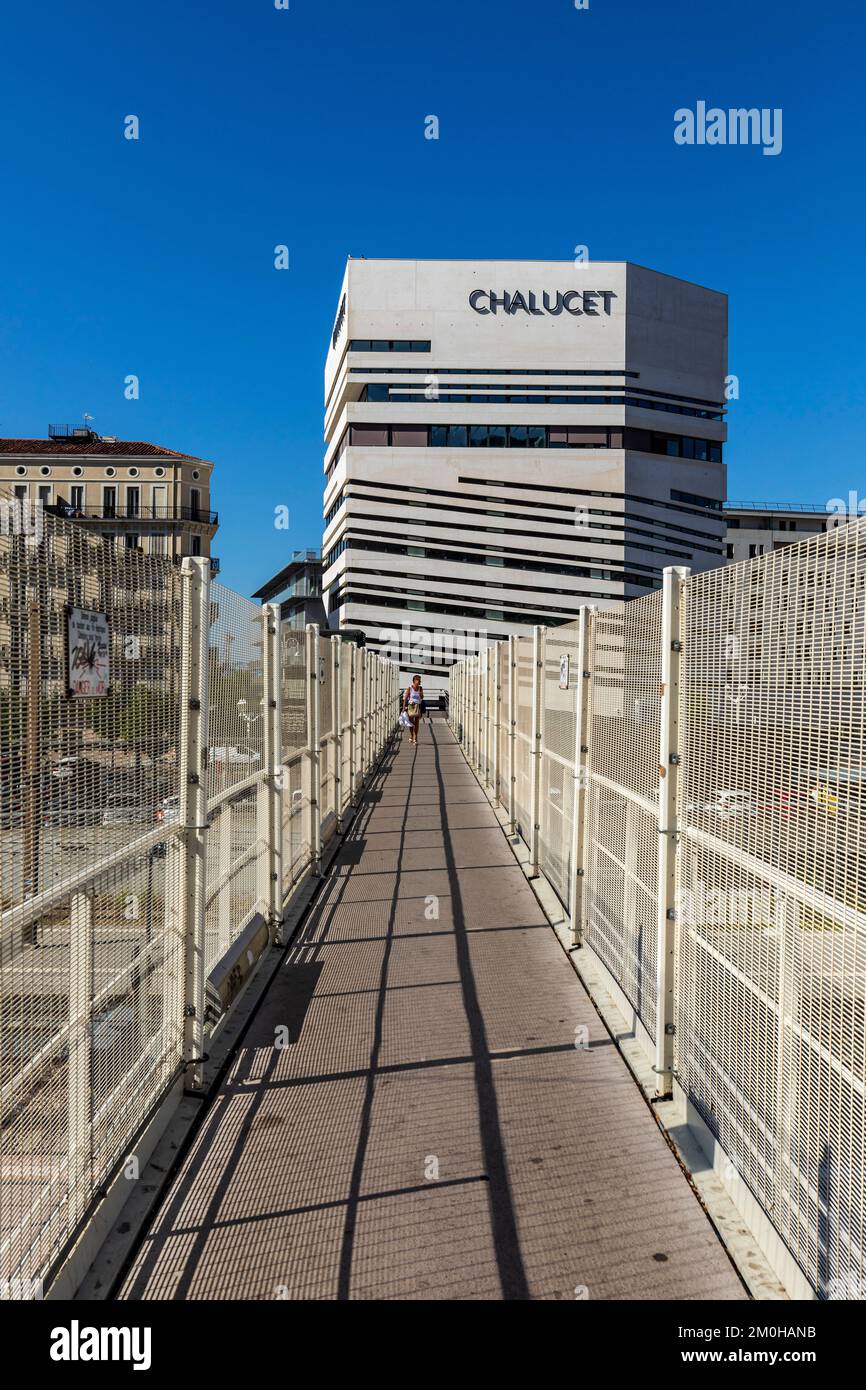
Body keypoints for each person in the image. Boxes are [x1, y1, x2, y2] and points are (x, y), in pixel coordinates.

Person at [402, 674, 424, 746]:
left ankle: (415, 737)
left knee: (417, 723)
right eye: (418, 680)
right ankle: (411, 735)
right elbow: (405, 698)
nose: (420, 681)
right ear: (414, 681)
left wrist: (421, 694)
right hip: (411, 706)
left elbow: (422, 697)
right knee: (411, 723)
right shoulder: (410, 688)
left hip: (418, 706)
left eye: (420, 680)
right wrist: (403, 708)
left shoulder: (420, 688)